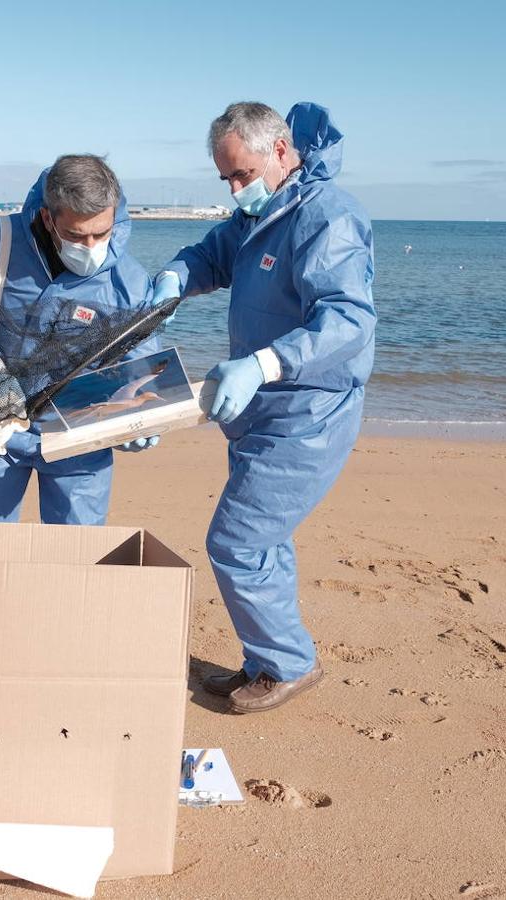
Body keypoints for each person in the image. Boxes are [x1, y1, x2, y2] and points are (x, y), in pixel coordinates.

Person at [153, 102, 376, 713]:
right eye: (224, 178)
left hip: (310, 408)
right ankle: (265, 656)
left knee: (237, 540)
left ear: (280, 151)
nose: (233, 188)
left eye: (239, 174)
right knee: (264, 539)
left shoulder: (327, 218)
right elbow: (216, 253)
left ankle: (289, 663)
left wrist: (262, 365)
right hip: (260, 409)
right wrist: (178, 274)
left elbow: (349, 320)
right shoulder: (263, 209)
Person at [0, 154, 160, 526]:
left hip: (81, 431)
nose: (90, 245)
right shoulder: (0, 241)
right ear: (47, 218)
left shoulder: (131, 282)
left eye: (102, 233)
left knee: (78, 547)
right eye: (75, 235)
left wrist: (140, 417)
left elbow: (140, 363)